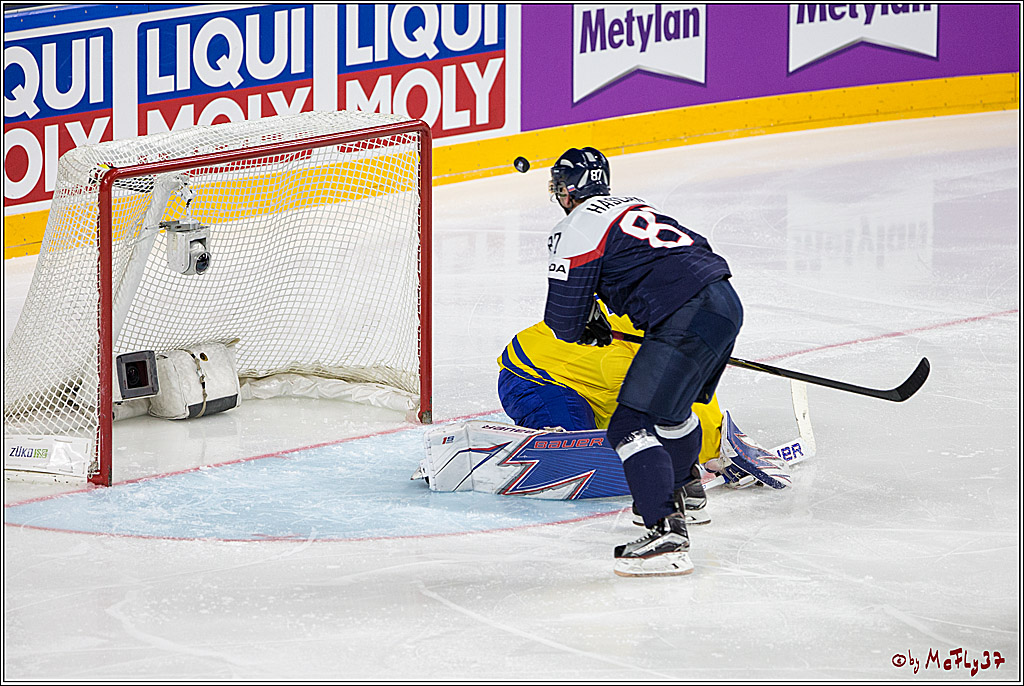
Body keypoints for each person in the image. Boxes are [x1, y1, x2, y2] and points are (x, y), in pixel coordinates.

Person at [543, 146, 744, 577]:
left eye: (560, 186)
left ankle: (665, 535)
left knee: (628, 424)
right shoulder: (633, 207)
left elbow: (562, 321)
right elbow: (693, 254)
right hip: (724, 302)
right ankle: (687, 493)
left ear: (569, 189)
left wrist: (589, 326)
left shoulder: (575, 226)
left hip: (683, 314)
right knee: (672, 413)